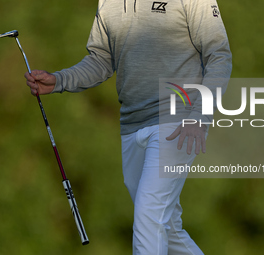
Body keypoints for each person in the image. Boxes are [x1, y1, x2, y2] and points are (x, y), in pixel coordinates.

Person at [25, 0, 232, 254]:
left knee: (148, 215)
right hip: (132, 126)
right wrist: (59, 80)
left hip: (177, 120)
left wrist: (200, 116)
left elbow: (219, 55)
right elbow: (101, 59)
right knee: (167, 228)